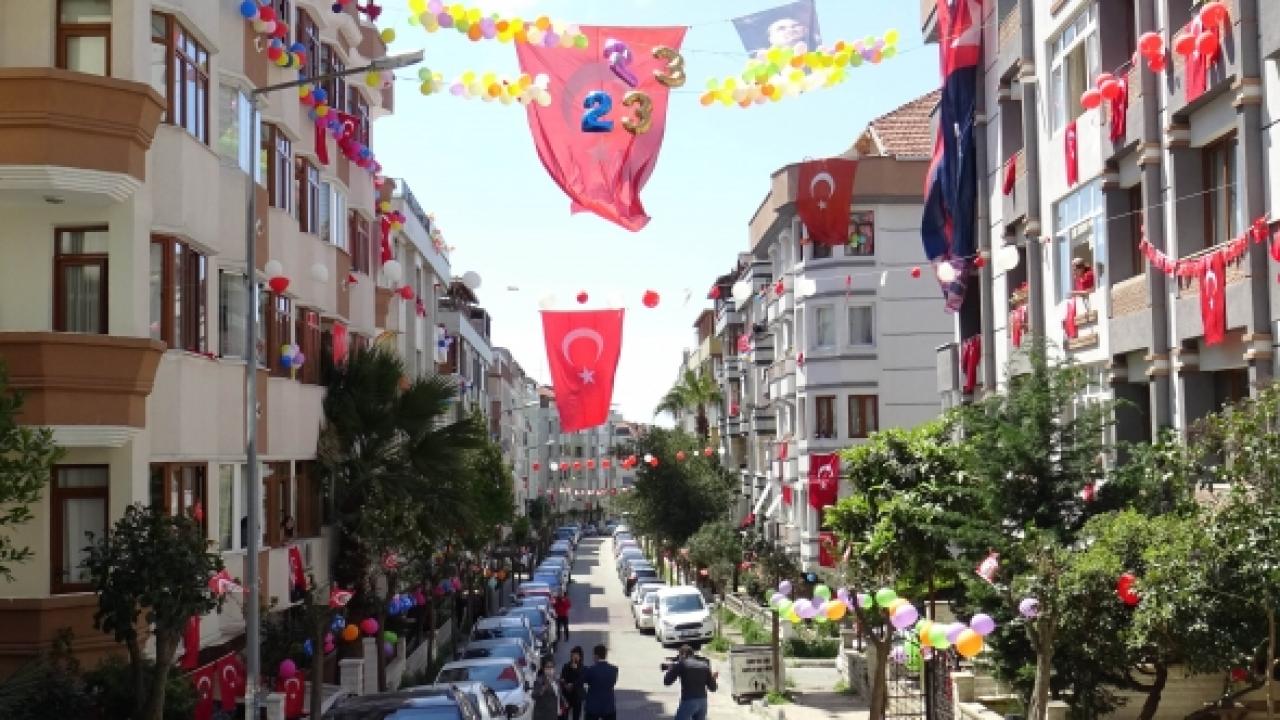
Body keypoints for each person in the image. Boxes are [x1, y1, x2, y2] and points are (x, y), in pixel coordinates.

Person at [663, 644, 719, 720]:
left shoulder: (682, 664)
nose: (679, 658)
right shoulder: (704, 665)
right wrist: (713, 678)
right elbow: (713, 688)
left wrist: (670, 669)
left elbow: (667, 682)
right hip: (703, 702)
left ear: (683, 654)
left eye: (679, 656)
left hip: (688, 701)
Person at [580, 644, 618, 720]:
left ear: (596, 656)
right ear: (605, 655)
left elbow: (583, 681)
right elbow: (613, 682)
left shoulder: (590, 670)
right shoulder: (614, 670)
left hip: (593, 707)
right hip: (608, 706)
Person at [559, 646, 585, 720]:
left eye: (575, 655)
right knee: (564, 716)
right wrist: (565, 685)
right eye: (572, 655)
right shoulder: (566, 666)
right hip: (566, 695)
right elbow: (562, 678)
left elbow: (581, 680)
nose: (573, 657)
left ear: (580, 657)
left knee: (576, 716)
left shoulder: (582, 668)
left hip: (577, 696)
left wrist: (576, 669)